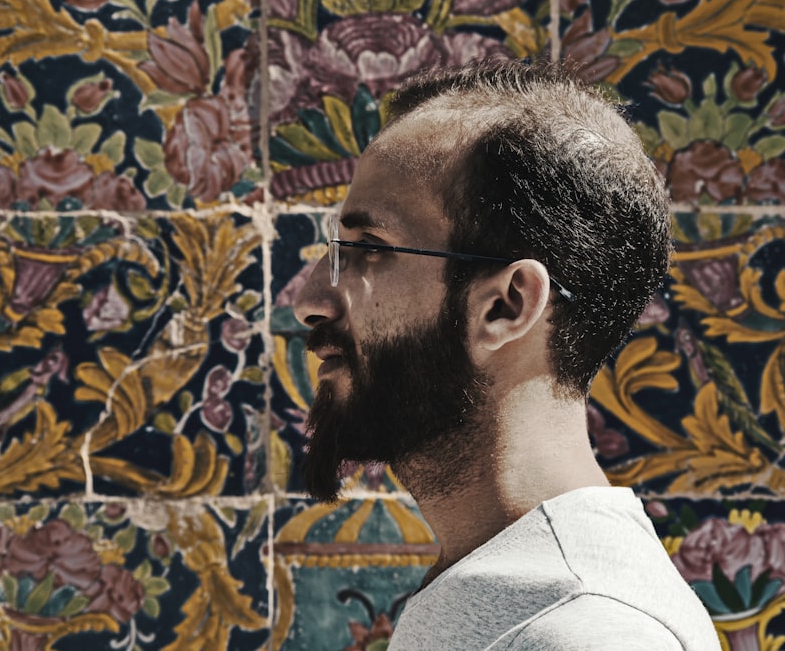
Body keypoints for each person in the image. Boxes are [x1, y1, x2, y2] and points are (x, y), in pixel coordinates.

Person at [294, 60, 720, 650]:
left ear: (506, 306)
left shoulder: (584, 631)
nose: (310, 300)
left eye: (369, 248)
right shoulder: (515, 596)